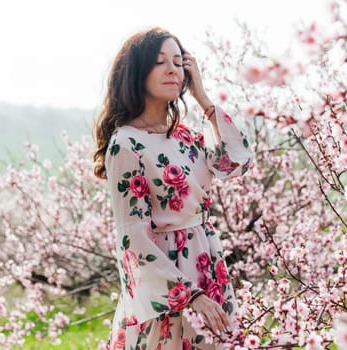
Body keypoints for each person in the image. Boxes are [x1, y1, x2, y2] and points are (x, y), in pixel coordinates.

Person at [92, 26, 253, 350]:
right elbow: (133, 236)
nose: (172, 70)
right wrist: (190, 296)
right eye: (159, 61)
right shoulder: (125, 144)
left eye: (179, 62)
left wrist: (204, 100)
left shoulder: (186, 135)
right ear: (137, 71)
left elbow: (236, 163)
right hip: (168, 283)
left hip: (207, 264)